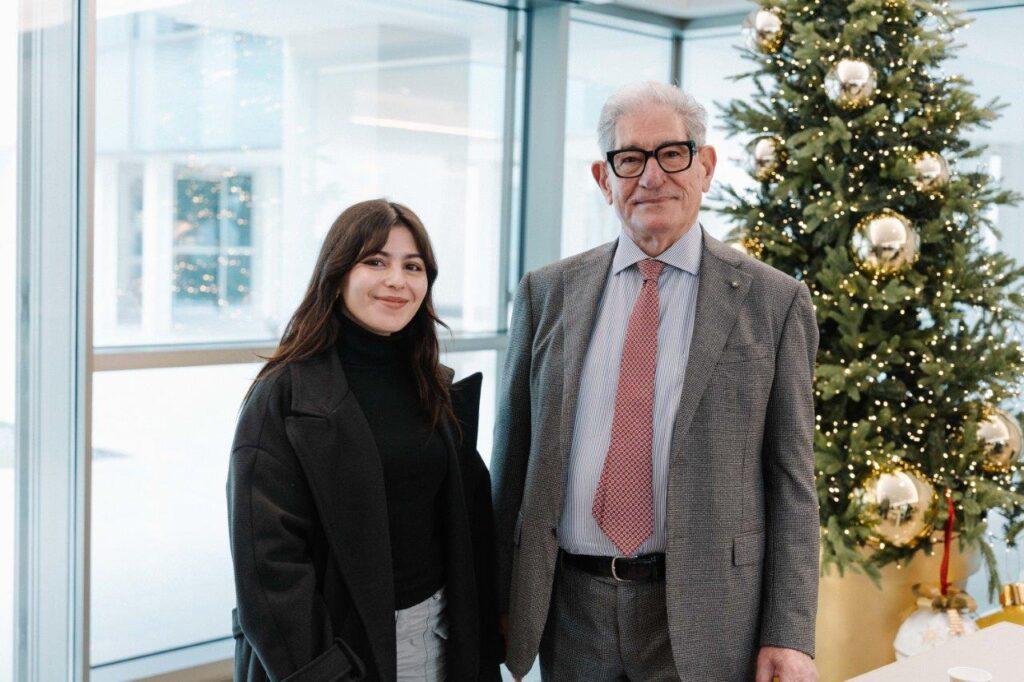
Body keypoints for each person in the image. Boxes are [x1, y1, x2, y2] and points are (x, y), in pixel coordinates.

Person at [491, 81, 820, 681]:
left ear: (705, 166)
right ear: (603, 178)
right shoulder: (547, 293)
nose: (651, 176)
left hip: (708, 615)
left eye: (672, 153)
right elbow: (512, 462)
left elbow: (792, 483)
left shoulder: (774, 303)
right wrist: (496, 596)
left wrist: (789, 632)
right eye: (630, 158)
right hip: (570, 611)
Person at [227, 199, 502, 681]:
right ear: (337, 274)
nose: (397, 280)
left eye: (412, 266)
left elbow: (468, 520)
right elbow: (268, 567)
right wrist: (325, 671)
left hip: (440, 632)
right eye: (375, 261)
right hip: (343, 649)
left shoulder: (430, 384)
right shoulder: (283, 395)